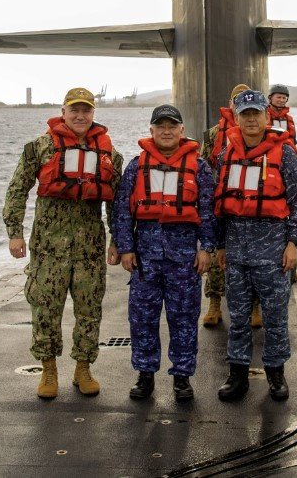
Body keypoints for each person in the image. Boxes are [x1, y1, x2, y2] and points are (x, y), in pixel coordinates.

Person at [3, 87, 123, 398]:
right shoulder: (39, 148)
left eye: (86, 110)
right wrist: (14, 231)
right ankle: (48, 370)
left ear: (93, 113)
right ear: (63, 112)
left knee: (89, 309)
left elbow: (117, 203)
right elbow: (18, 189)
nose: (80, 116)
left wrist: (118, 240)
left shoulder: (109, 154)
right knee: (45, 309)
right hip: (47, 248)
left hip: (89, 248)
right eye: (74, 110)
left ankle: (83, 368)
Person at [112, 105, 216, 401]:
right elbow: (122, 210)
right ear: (152, 131)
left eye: (172, 125)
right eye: (161, 126)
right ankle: (145, 375)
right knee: (142, 318)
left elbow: (208, 211)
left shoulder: (199, 166)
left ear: (182, 130)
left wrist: (206, 248)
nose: (167, 131)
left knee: (184, 318)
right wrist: (126, 249)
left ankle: (182, 377)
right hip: (145, 259)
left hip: (184, 259)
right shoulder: (136, 166)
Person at [215, 89, 297, 401]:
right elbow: (218, 205)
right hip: (237, 248)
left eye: (257, 113)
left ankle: (276, 374)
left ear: (267, 117)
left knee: (275, 317)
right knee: (238, 317)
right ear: (237, 118)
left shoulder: (285, 155)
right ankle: (237, 374)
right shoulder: (225, 155)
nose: (251, 119)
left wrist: (293, 242)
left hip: (273, 248)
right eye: (245, 114)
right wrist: (219, 245)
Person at [200, 83, 256, 328]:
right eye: (236, 100)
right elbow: (203, 167)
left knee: (253, 258)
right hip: (219, 203)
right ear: (231, 104)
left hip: (250, 206)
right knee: (214, 257)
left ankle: (255, 306)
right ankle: (214, 303)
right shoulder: (214, 134)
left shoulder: (260, 133)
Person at [267, 84, 297, 148]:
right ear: (270, 98)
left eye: (284, 98)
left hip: (286, 152)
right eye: (279, 97)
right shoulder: (263, 116)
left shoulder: (289, 119)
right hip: (268, 151)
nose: (281, 100)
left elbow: (293, 140)